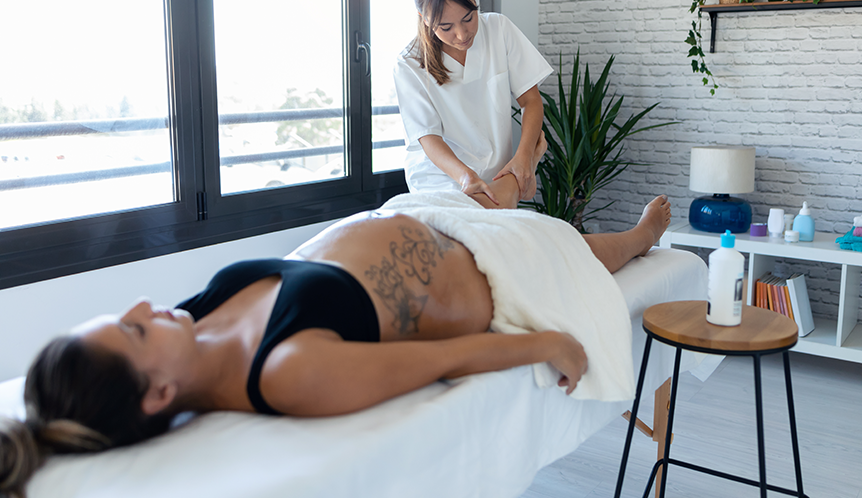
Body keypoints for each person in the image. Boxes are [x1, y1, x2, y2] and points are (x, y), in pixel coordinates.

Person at [0, 189, 672, 497]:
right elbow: (443, 359)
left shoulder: (191, 322)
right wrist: (545, 342)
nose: (148, 306)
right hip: (497, 272)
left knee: (536, 218)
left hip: (424, 219)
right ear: (160, 393)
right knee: (582, 249)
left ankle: (625, 236)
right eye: (134, 328)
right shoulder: (289, 373)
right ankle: (641, 239)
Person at [394, 0, 553, 207]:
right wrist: (466, 177)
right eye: (446, 27)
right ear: (424, 19)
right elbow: (428, 138)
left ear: (474, 0)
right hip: (442, 176)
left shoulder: (499, 29)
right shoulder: (409, 63)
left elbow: (530, 100)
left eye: (468, 17)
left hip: (497, 170)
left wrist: (522, 159)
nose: (462, 34)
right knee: (474, 219)